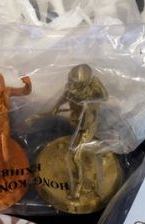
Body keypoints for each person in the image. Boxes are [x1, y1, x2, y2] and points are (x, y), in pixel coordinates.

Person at [50, 64, 109, 199]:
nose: (72, 85)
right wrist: (55, 107)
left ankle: (79, 187)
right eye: (71, 80)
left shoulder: (93, 87)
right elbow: (65, 96)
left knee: (75, 157)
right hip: (76, 122)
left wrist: (90, 100)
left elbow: (105, 97)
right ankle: (78, 173)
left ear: (85, 82)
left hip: (88, 126)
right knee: (73, 151)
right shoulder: (71, 87)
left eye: (76, 82)